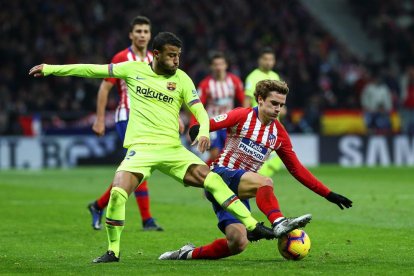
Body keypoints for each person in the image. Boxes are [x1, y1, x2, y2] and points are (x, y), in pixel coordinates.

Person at [29, 32, 275, 263]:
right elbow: (92, 70)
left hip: (172, 149)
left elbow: (198, 108)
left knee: (211, 179)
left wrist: (202, 129)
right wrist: (51, 69)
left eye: (178, 55)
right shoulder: (133, 69)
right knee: (117, 193)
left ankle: (252, 226)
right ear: (156, 54)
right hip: (141, 150)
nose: (176, 60)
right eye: (171, 55)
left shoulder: (182, 78)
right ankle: (112, 251)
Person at [159, 80, 352, 260]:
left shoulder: (279, 134)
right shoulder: (242, 115)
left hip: (241, 191)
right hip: (220, 176)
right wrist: (198, 131)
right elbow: (205, 124)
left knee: (238, 243)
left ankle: (187, 254)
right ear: (260, 99)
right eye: (274, 103)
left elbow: (297, 169)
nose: (277, 109)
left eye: (281, 105)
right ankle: (279, 222)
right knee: (265, 181)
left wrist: (329, 194)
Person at [87, 15, 163, 232]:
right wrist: (100, 119)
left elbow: (163, 90)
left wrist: (174, 116)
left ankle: (98, 205)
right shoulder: (122, 56)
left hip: (149, 120)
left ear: (150, 35)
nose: (142, 35)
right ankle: (147, 220)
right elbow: (105, 87)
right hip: (126, 117)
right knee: (140, 164)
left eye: (145, 31)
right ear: (131, 34)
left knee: (137, 168)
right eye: (138, 31)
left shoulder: (153, 57)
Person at [191, 51, 245, 165]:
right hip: (212, 123)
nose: (218, 67)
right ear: (211, 66)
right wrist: (194, 124)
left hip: (229, 124)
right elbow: (197, 106)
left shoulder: (234, 81)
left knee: (228, 156)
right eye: (216, 64)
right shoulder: (205, 84)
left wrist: (244, 120)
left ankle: (203, 174)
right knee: (215, 153)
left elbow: (243, 100)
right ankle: (201, 174)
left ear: (226, 65)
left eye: (221, 64)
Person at [244, 47, 282, 177]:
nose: (268, 62)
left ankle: (255, 181)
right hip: (260, 123)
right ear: (259, 60)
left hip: (274, 124)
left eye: (271, 59)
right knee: (270, 157)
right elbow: (247, 100)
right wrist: (246, 120)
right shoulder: (253, 77)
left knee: (272, 159)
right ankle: (255, 182)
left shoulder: (275, 76)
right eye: (265, 59)